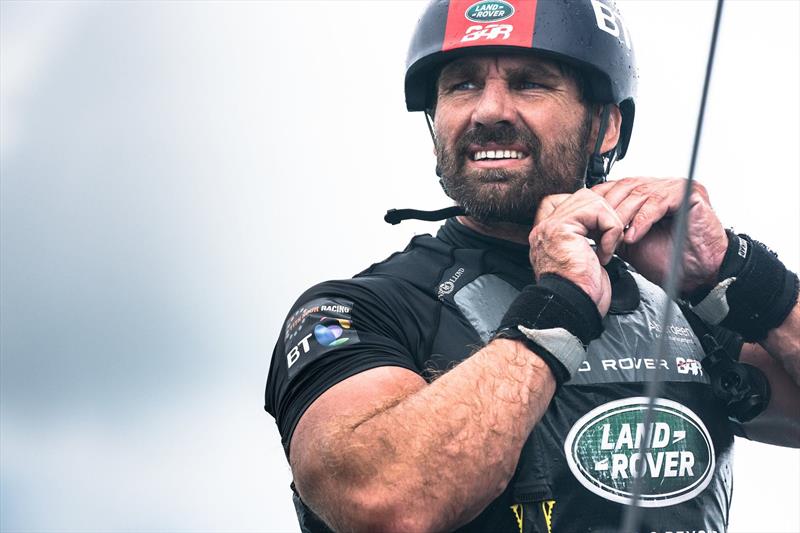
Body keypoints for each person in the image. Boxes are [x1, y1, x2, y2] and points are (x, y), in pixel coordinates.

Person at [264, 1, 800, 531]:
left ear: (605, 126)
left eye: (529, 82)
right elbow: (384, 503)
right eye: (462, 85)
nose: (489, 111)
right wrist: (559, 304)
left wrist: (741, 277)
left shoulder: (676, 306)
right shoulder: (358, 309)